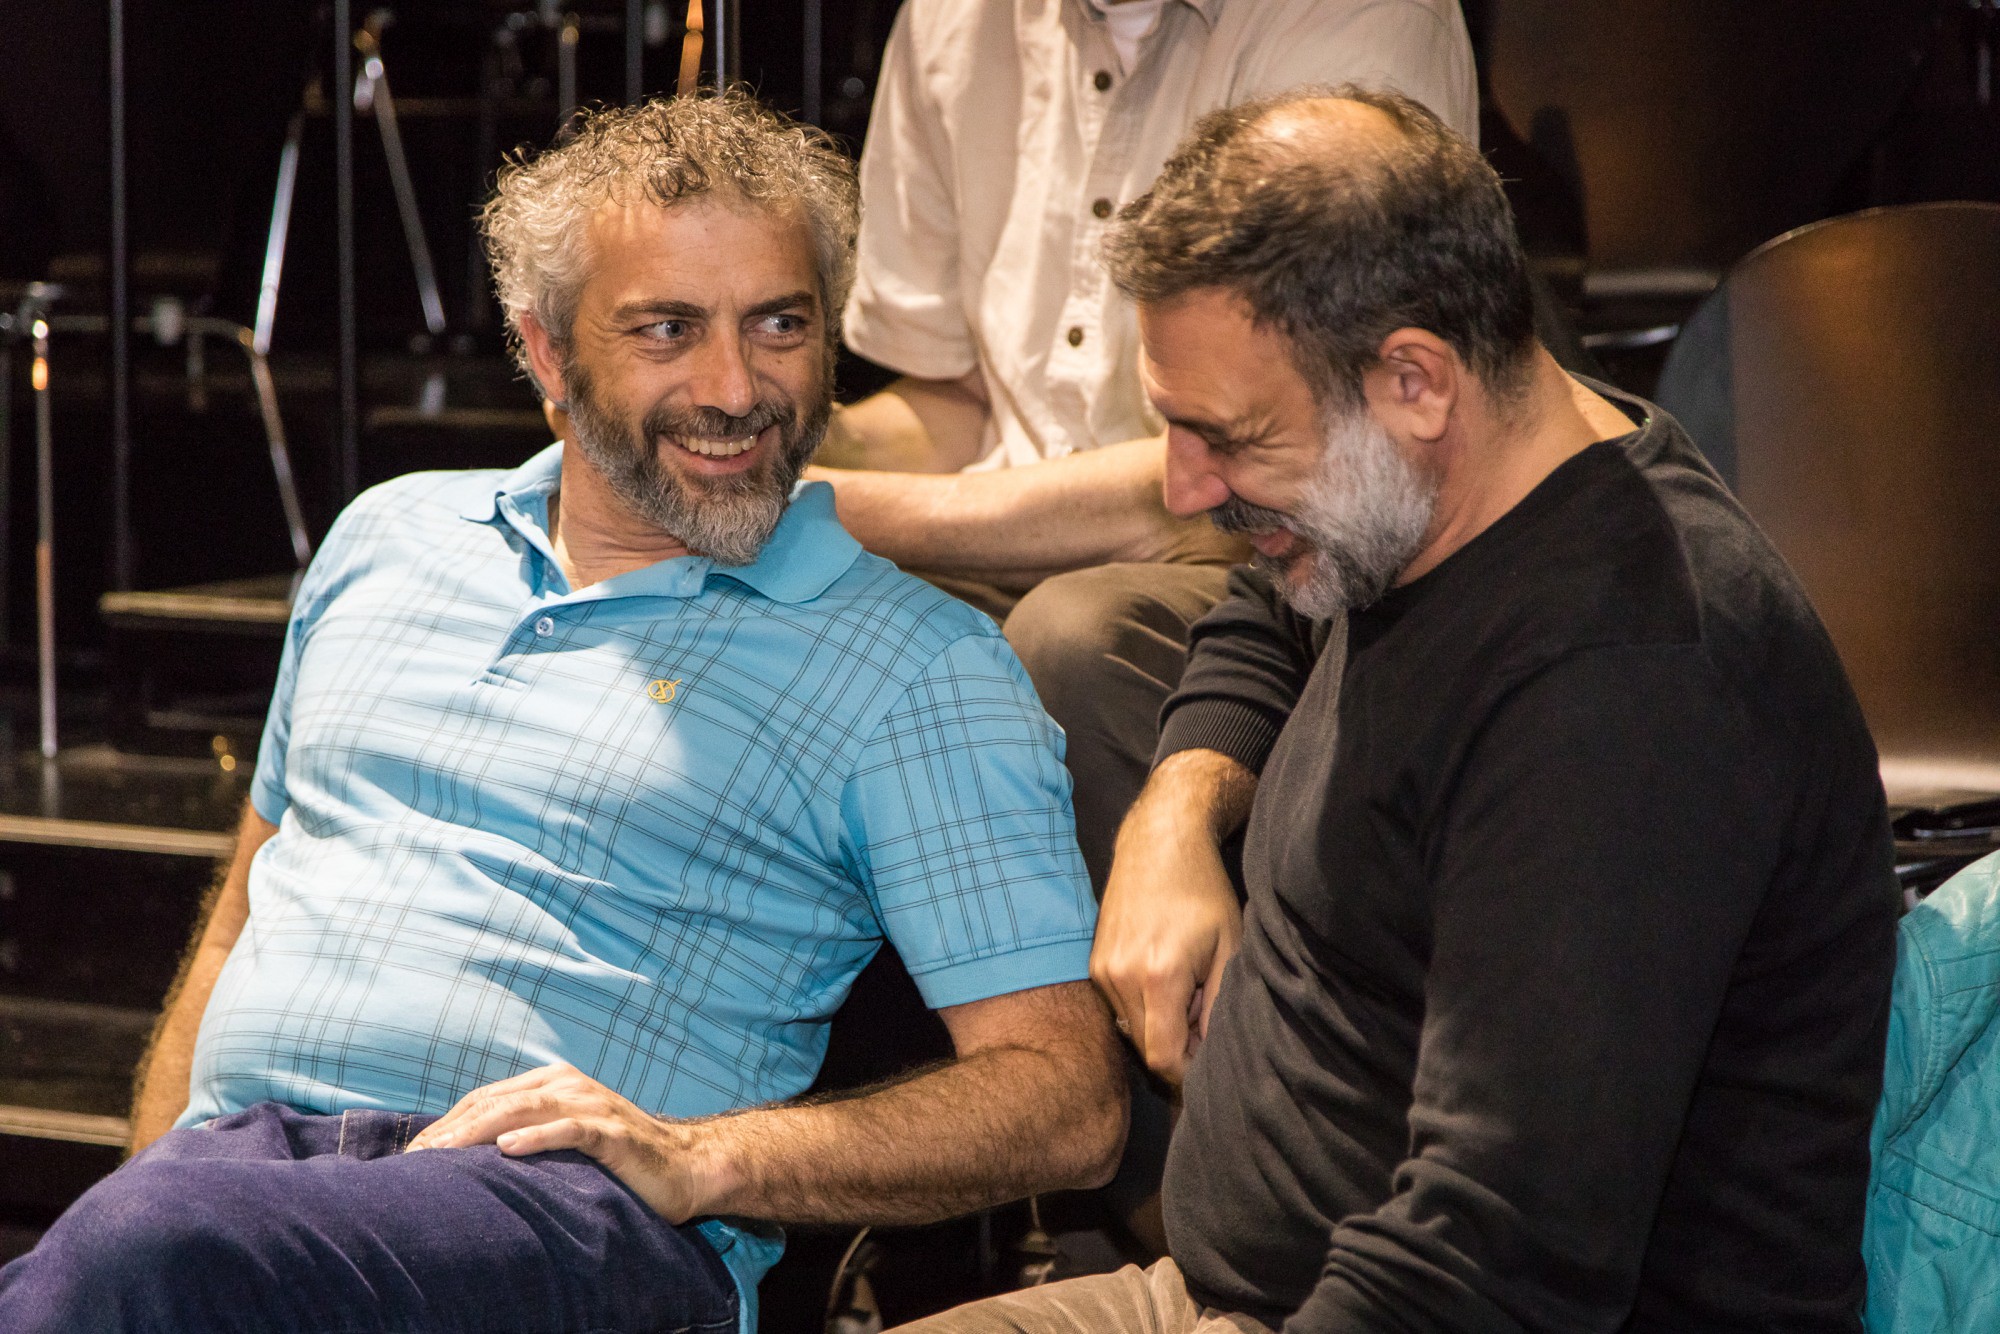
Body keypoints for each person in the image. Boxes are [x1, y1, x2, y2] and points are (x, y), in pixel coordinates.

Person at [0, 93, 1125, 1334]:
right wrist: (143, 1186)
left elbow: (1065, 1099)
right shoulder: (385, 537)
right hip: (229, 1199)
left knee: (153, 1248)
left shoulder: (916, 662)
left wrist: (703, 1156)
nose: (734, 386)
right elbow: (235, 928)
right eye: (667, 328)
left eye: (779, 323)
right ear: (545, 352)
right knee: (146, 1244)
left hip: (569, 1213)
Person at [908, 87, 1900, 1333]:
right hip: (1241, 1286)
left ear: (1415, 381)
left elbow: (1494, 1265)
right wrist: (1176, 806)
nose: (1184, 486)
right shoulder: (1429, 496)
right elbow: (1270, 608)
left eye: (1225, 437)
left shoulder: (1620, 691)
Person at [814, 0, 1478, 893]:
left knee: (1071, 636)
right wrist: (754, 454)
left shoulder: (1353, 21)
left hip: (1251, 557)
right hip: (1016, 538)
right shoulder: (947, 20)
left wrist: (826, 508)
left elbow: (1250, 476)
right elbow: (958, 401)